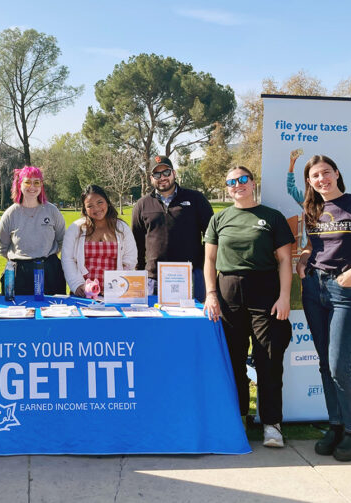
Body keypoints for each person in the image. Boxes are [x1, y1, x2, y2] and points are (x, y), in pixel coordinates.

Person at [297, 155, 351, 462]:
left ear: (337, 173)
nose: (322, 179)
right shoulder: (312, 209)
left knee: (339, 366)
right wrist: (304, 257)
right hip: (313, 289)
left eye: (326, 172)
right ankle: (335, 426)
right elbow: (313, 244)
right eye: (315, 175)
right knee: (324, 363)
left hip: (345, 291)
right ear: (309, 182)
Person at [203, 166, 294, 449]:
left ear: (253, 182)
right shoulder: (219, 219)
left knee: (268, 360)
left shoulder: (272, 217)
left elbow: (284, 261)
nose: (237, 185)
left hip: (266, 294)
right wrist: (211, 294)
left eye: (242, 179)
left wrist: (284, 297)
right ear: (227, 187)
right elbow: (209, 261)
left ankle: (271, 424)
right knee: (233, 360)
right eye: (231, 181)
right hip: (229, 293)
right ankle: (239, 418)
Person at [132, 155, 213, 302]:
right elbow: (136, 243)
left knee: (192, 322)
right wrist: (140, 273)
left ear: (174, 173)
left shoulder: (196, 199)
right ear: (151, 178)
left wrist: (201, 264)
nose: (162, 177)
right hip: (154, 279)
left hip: (190, 276)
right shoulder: (142, 205)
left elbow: (211, 235)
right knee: (155, 323)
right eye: (156, 174)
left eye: (166, 172)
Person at [0, 166, 66, 295]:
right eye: (27, 182)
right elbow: (2, 246)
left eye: (37, 182)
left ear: (41, 185)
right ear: (19, 184)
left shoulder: (51, 210)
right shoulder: (11, 213)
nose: (32, 187)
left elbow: (62, 239)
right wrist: (22, 261)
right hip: (20, 274)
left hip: (50, 271)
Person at [62, 185, 137, 296]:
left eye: (100, 202)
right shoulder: (76, 228)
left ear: (107, 202)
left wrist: (118, 287)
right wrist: (78, 285)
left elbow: (130, 260)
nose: (96, 208)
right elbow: (67, 259)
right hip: (84, 293)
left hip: (114, 293)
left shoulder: (121, 228)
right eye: (90, 206)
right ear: (85, 209)